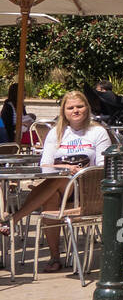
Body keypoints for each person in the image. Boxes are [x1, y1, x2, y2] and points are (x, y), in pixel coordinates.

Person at [1, 90, 112, 271]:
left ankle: (14, 219)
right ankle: (54, 257)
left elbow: (102, 167)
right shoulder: (56, 132)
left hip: (87, 188)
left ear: (87, 108)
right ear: (64, 111)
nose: (75, 111)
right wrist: (66, 168)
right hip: (62, 186)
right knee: (52, 193)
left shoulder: (98, 132)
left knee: (58, 182)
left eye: (79, 106)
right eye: (70, 107)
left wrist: (79, 171)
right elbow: (46, 165)